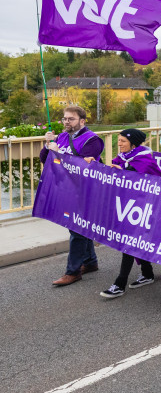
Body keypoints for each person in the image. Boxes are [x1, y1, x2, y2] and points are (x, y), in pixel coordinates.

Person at [41, 106, 105, 287]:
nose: (66, 122)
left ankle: (73, 271)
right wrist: (48, 146)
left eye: (71, 119)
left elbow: (82, 167)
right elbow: (43, 159)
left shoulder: (93, 140)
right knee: (80, 227)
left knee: (76, 228)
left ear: (82, 121)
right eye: (64, 119)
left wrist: (58, 153)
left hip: (86, 190)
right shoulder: (61, 136)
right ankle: (90, 261)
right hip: (67, 188)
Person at [100, 129, 161, 299]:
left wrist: (120, 169)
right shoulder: (122, 158)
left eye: (122, 141)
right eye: (118, 140)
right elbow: (114, 172)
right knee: (134, 240)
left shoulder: (145, 158)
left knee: (128, 241)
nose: (119, 144)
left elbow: (135, 174)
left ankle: (120, 283)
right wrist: (95, 164)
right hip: (127, 205)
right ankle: (147, 272)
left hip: (144, 206)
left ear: (133, 144)